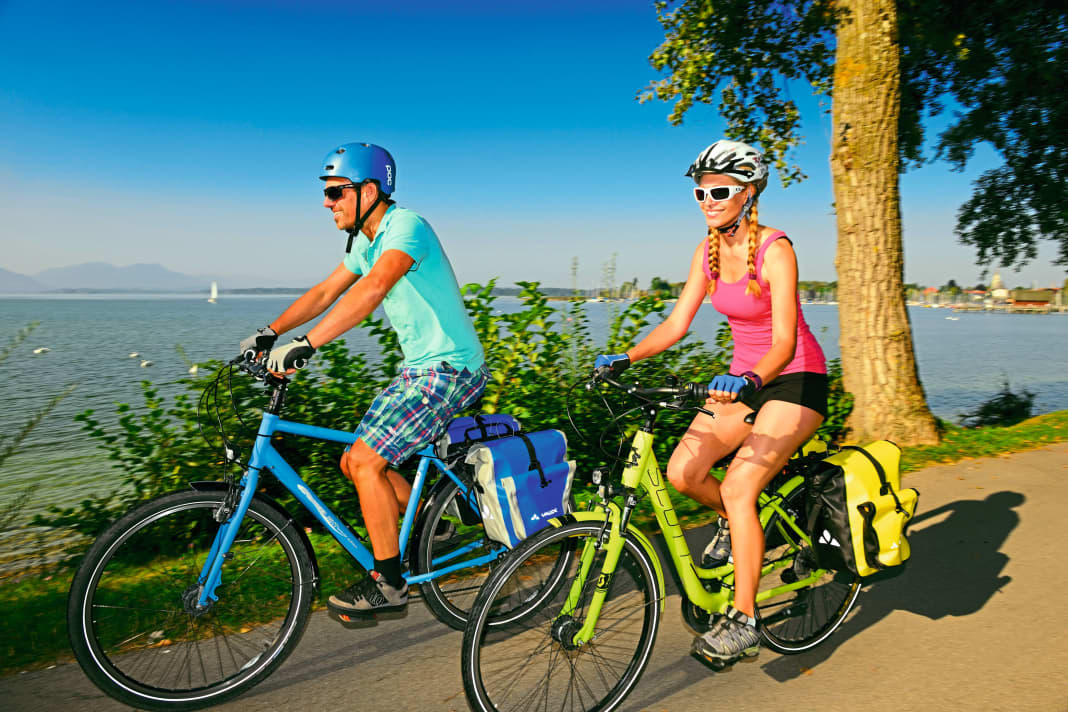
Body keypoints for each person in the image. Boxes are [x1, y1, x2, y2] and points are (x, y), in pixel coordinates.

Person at [594, 139, 827, 665]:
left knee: (741, 484)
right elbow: (676, 325)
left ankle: (744, 619)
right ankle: (742, 524)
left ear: (748, 192)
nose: (707, 200)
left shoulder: (777, 248)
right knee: (683, 473)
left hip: (794, 379)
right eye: (700, 192)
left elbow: (785, 340)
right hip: (744, 382)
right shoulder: (708, 251)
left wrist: (747, 378)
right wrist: (624, 359)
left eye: (718, 190)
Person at [240, 142, 487, 617]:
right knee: (352, 462)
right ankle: (434, 524)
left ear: (368, 190)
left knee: (369, 461)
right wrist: (270, 333)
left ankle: (390, 585)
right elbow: (326, 291)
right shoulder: (366, 242)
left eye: (335, 192)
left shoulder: (405, 227)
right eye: (326, 193)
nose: (327, 202)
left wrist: (307, 345)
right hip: (421, 371)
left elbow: (374, 289)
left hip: (452, 369)